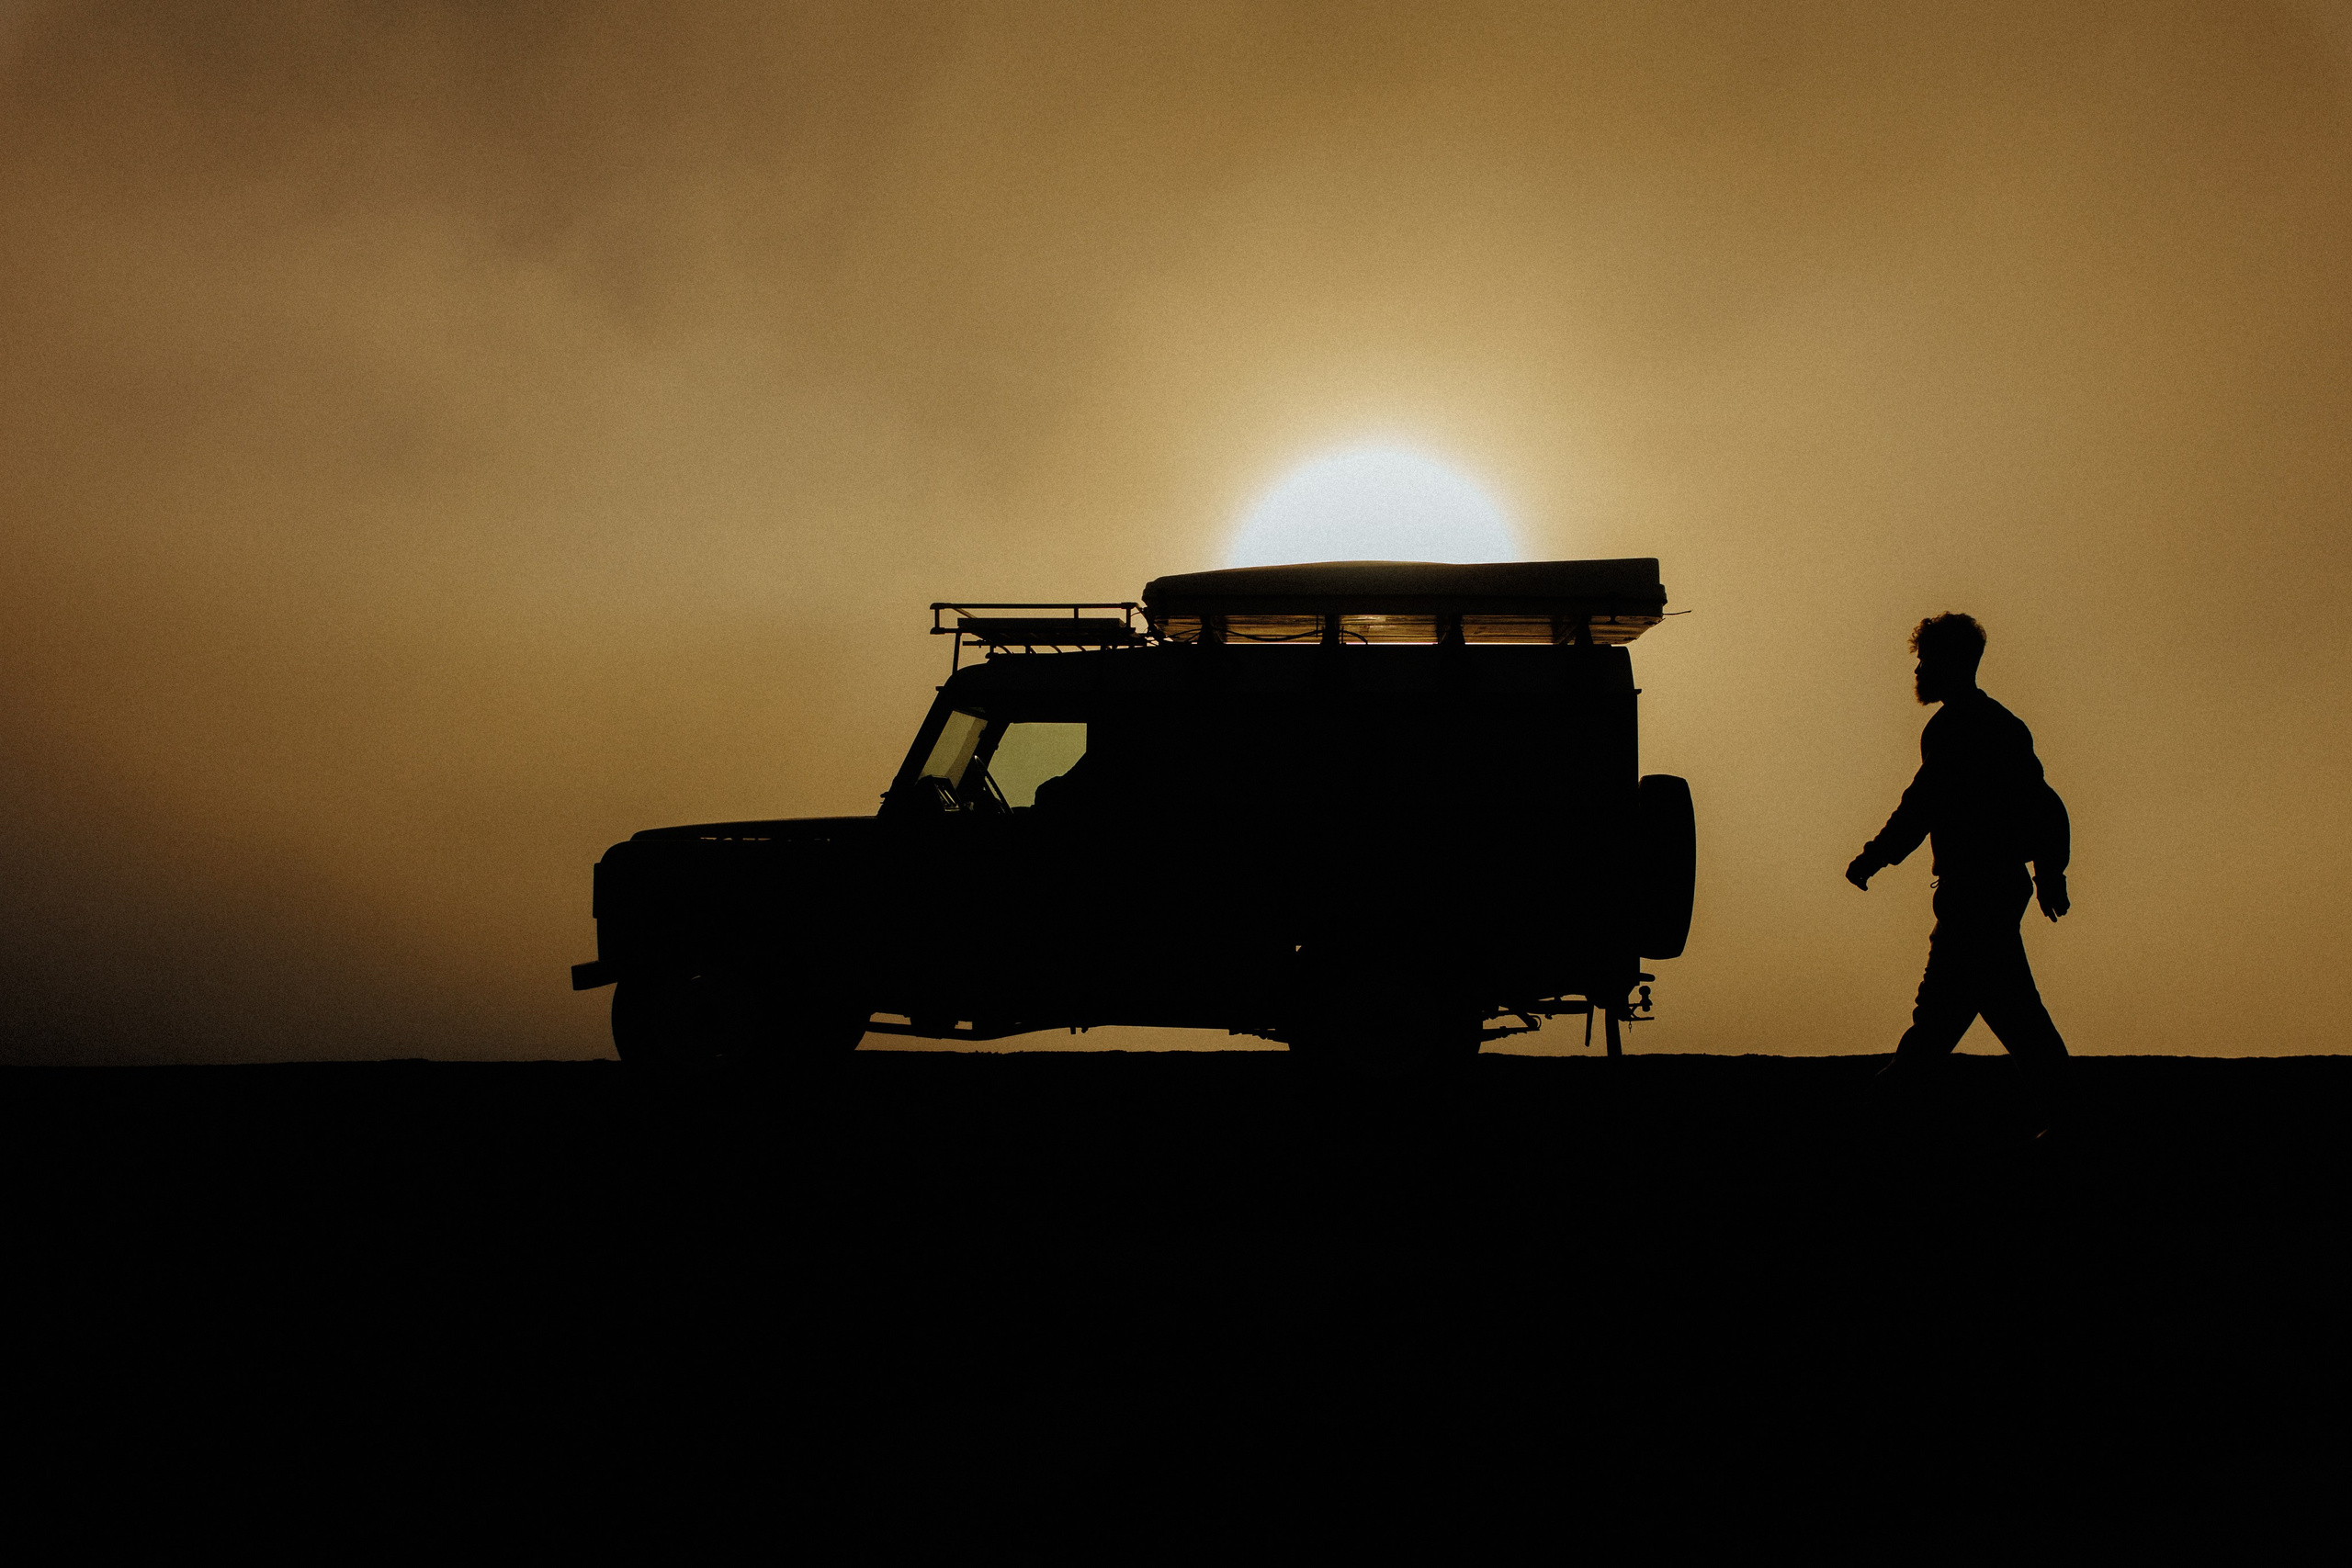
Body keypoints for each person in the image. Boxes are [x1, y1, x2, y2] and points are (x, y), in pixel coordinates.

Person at [1846, 613, 2073, 1130]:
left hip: (1977, 895)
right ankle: (2067, 1118)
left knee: (1965, 1020)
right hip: (1989, 891)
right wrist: (2048, 872)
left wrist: (1874, 857)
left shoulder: (1957, 729)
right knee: (1995, 1014)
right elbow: (2043, 805)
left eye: (1927, 660)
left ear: (1951, 663)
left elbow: (1922, 806)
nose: (1920, 670)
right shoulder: (2000, 726)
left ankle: (1879, 1116)